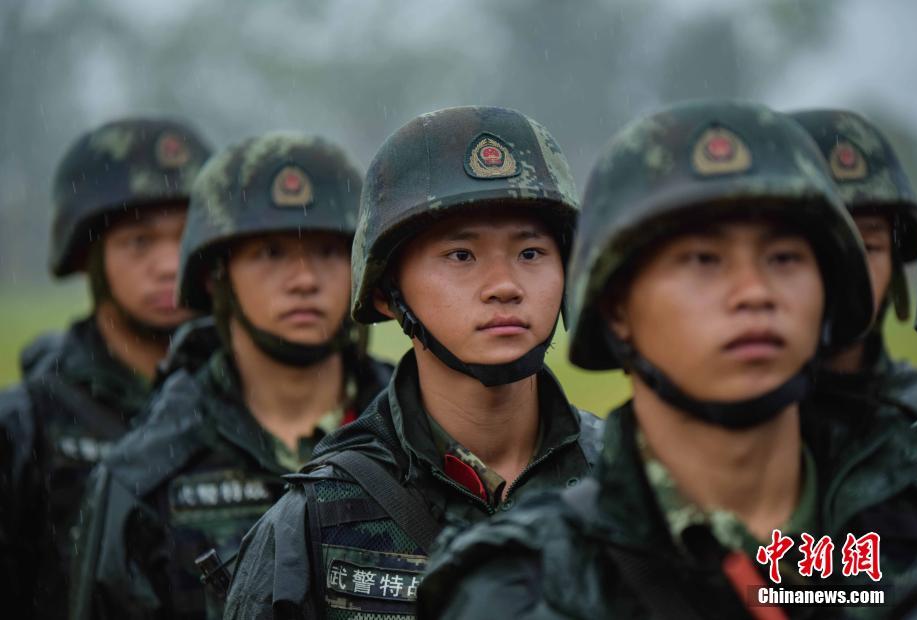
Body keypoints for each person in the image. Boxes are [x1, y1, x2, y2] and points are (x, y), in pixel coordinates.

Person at [419, 101, 917, 619]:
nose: (755, 294)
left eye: (785, 258)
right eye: (703, 261)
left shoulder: (913, 525)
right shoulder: (527, 588)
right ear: (617, 308)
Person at [223, 106, 604, 619]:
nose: (506, 286)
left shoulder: (630, 483)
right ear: (387, 293)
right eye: (461, 256)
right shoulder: (312, 522)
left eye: (531, 253)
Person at [69, 133, 392, 620]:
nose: (305, 279)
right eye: (271, 253)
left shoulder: (420, 432)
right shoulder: (144, 472)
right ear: (214, 276)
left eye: (328, 251)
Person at [0, 118, 211, 618]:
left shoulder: (264, 399)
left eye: (185, 239)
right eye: (139, 241)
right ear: (88, 255)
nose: (168, 264)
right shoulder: (24, 426)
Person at [790, 109, 917, 420]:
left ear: (894, 266)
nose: (846, 267)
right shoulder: (713, 427)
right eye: (818, 246)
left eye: (867, 247)